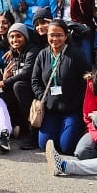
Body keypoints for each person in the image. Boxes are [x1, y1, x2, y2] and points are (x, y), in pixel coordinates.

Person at [31, 20, 88, 154]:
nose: (55, 39)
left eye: (59, 35)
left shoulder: (76, 55)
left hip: (71, 109)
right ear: (47, 36)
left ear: (66, 36)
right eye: (52, 35)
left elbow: (85, 82)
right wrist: (43, 99)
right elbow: (35, 81)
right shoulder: (43, 55)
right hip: (51, 109)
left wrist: (74, 103)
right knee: (44, 145)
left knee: (67, 147)